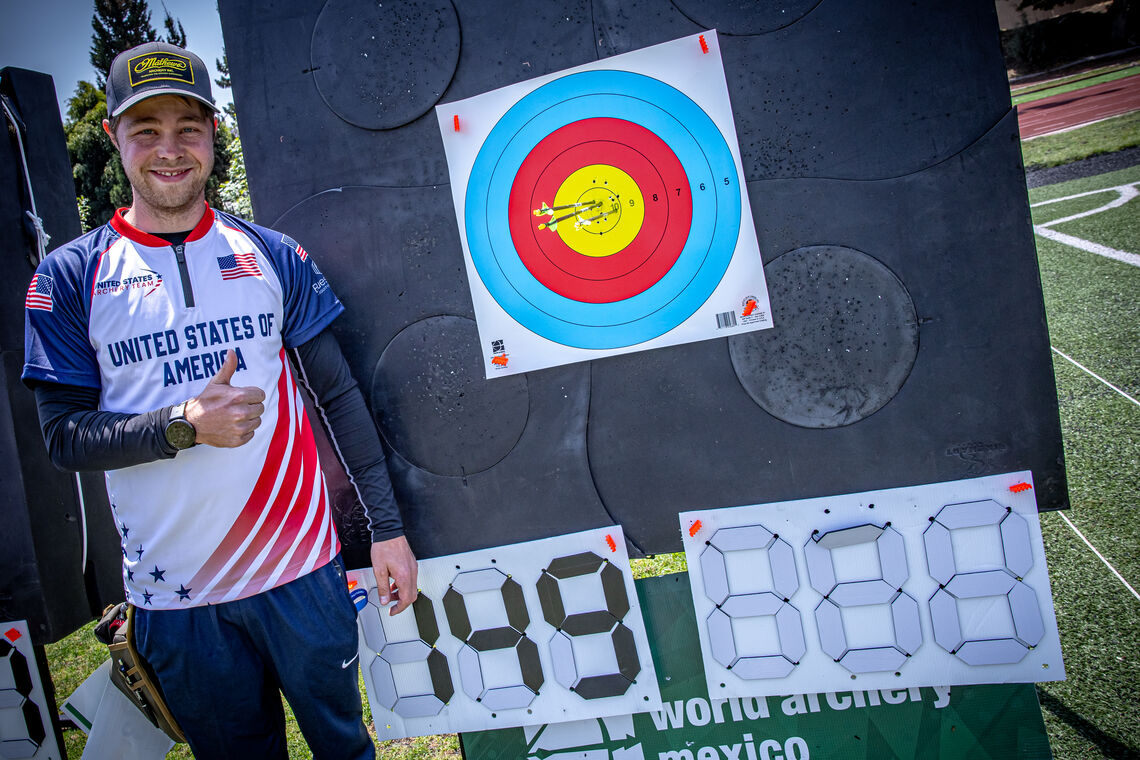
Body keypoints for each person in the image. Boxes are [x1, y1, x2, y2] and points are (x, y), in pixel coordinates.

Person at [22, 41, 416, 759]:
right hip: (176, 601)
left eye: (188, 128)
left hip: (300, 573)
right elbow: (63, 437)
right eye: (146, 130)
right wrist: (183, 426)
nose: (169, 151)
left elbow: (339, 397)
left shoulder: (272, 253)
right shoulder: (71, 276)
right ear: (114, 138)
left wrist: (386, 528)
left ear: (213, 135)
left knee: (346, 748)